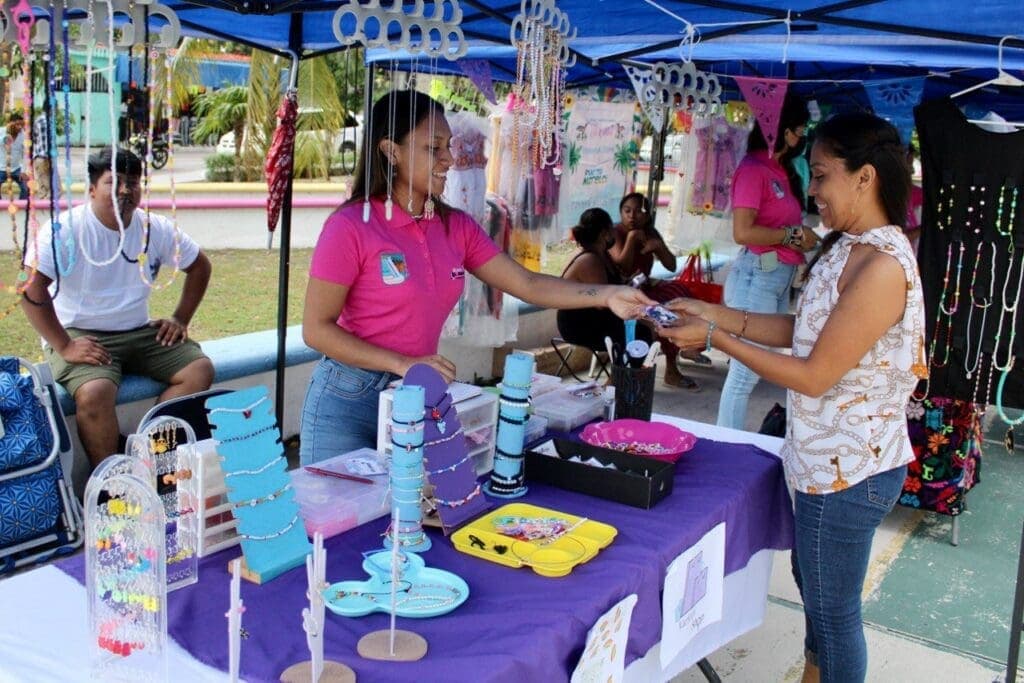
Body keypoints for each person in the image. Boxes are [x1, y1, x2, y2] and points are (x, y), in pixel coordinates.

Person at [658, 112, 925, 683]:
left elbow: (813, 374)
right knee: (821, 604)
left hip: (849, 470)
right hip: (825, 462)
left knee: (834, 618)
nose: (813, 191)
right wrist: (716, 313)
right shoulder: (846, 249)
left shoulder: (882, 265)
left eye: (823, 175)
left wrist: (714, 338)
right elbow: (802, 330)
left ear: (865, 178)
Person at [300, 90, 651, 465]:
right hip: (348, 400)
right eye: (433, 148)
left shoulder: (455, 227)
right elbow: (316, 330)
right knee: (339, 520)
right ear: (391, 151)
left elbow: (528, 284)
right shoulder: (351, 226)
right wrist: (402, 362)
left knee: (406, 512)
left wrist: (608, 294)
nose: (450, 159)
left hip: (413, 393)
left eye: (448, 146)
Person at [21, 147, 214, 468]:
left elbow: (200, 266)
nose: (126, 191)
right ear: (93, 189)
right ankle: (111, 482)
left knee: (199, 370)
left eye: (134, 183)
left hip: (138, 330)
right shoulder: (65, 230)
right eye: (115, 182)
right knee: (95, 391)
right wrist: (64, 344)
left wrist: (181, 318)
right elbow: (32, 287)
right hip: (78, 332)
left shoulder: (154, 228)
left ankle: (146, 453)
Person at [716, 92, 819, 430]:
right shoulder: (753, 169)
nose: (802, 136)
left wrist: (798, 242)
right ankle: (726, 443)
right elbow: (743, 232)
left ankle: (731, 440)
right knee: (744, 371)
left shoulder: (781, 170)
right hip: (757, 276)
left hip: (778, 277)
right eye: (799, 129)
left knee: (759, 366)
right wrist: (793, 236)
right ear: (780, 130)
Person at [610, 191, 701, 389]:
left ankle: (672, 364)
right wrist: (632, 239)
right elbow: (623, 267)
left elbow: (670, 266)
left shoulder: (650, 232)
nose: (632, 216)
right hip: (620, 294)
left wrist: (658, 247)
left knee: (679, 296)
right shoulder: (616, 233)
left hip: (643, 289)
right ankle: (626, 370)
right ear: (621, 213)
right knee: (660, 310)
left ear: (647, 215)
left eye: (637, 212)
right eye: (627, 211)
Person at [557, 207, 653, 353]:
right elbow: (602, 301)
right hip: (580, 325)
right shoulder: (589, 260)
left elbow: (611, 288)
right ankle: (621, 375)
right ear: (604, 234)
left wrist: (630, 283)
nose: (614, 233)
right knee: (640, 333)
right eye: (611, 229)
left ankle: (625, 372)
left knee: (644, 326)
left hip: (596, 319)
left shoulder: (602, 255)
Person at [0, 117, 29, 200]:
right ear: (10, 124)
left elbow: (26, 154)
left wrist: (23, 171)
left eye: (22, 125)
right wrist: (4, 139)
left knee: (26, 187)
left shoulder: (23, 135)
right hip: (1, 168)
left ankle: (21, 205)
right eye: (17, 124)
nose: (20, 127)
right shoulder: (2, 131)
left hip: (16, 168)